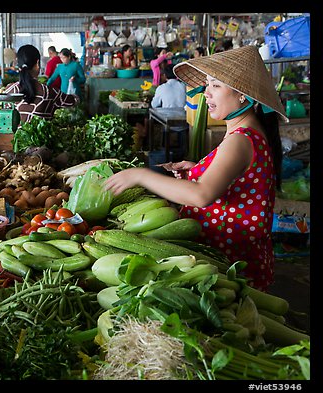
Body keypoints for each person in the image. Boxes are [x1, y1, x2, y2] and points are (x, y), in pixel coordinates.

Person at [104, 45, 288, 292]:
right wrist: (201, 168)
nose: (206, 94)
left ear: (243, 95)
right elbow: (237, 179)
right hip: (238, 258)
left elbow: (201, 195)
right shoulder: (246, 132)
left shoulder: (240, 139)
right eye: (207, 84)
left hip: (230, 268)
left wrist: (140, 175)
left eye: (215, 86)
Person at [4, 44, 80, 123]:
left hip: (12, 135)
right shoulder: (49, 92)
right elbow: (74, 100)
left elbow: (5, 121)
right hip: (42, 135)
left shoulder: (9, 91)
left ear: (19, 66)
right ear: (37, 64)